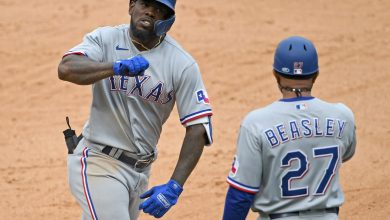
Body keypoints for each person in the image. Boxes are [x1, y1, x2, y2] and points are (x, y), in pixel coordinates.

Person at [58, 0, 213, 219]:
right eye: (145, 3)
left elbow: (198, 126)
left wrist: (175, 186)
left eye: (160, 9)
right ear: (132, 6)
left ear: (169, 20)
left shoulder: (181, 64)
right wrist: (114, 67)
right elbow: (66, 68)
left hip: (141, 172)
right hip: (98, 161)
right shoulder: (106, 39)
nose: (151, 11)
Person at [222, 36, 356, 220]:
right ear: (315, 75)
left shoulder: (256, 123)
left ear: (275, 75)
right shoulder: (343, 116)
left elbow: (240, 195)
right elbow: (345, 154)